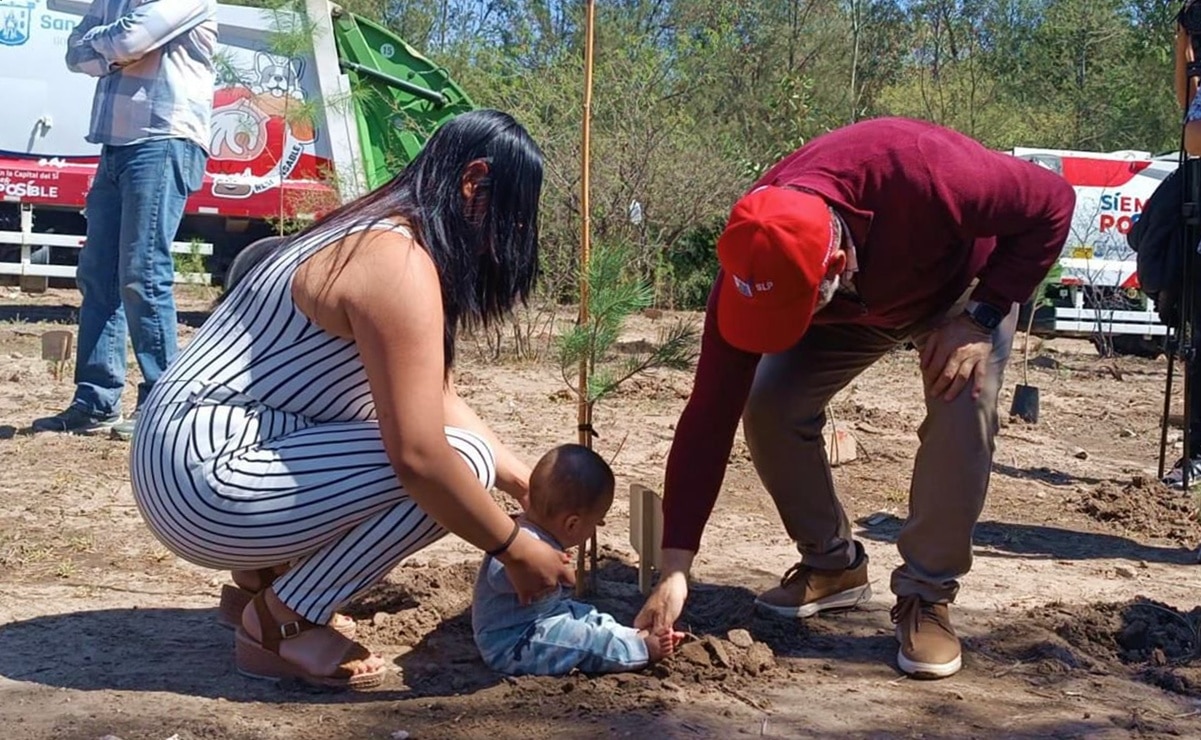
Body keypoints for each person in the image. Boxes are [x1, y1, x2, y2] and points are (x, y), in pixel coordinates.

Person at [127, 109, 575, 691]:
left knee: (437, 438)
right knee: (456, 462)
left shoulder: (372, 230)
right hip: (204, 481)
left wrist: (530, 492)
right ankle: (282, 622)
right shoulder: (397, 263)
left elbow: (438, 398)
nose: (509, 237)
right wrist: (515, 547)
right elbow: (421, 455)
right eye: (511, 216)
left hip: (181, 461)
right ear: (474, 183)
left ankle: (261, 582)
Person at [634, 117, 1076, 680]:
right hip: (852, 308)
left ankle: (927, 597)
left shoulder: (930, 171)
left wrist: (984, 313)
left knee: (963, 398)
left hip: (958, 292)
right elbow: (708, 416)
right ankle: (833, 566)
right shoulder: (754, 259)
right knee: (769, 403)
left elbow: (1054, 201)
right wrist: (675, 566)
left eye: (786, 315)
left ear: (836, 265)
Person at [32, 0, 217, 439]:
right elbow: (75, 53)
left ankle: (162, 404)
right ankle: (96, 402)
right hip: (116, 145)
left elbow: (128, 40)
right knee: (98, 274)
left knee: (143, 273)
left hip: (164, 138)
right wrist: (113, 47)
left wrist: (108, 47)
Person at [472, 444, 682, 675]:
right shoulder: (519, 540)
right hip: (512, 641)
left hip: (543, 618)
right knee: (582, 640)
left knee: (587, 614)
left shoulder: (534, 533)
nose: (596, 528)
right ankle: (641, 649)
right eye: (597, 522)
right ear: (572, 524)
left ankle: (629, 635)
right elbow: (497, 572)